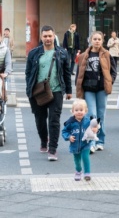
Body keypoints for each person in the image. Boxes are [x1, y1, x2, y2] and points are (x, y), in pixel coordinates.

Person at [25, 25, 72, 161]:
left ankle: (52, 149)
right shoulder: (34, 53)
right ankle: (44, 141)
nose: (47, 38)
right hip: (38, 91)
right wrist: (30, 89)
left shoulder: (62, 53)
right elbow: (28, 73)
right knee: (40, 119)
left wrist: (68, 90)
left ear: (54, 37)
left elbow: (67, 74)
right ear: (41, 37)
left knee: (54, 120)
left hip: (56, 90)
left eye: (50, 36)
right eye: (45, 36)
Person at [75, 31, 117, 153]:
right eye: (95, 39)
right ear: (91, 40)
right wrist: (78, 88)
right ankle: (91, 142)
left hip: (101, 89)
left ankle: (100, 141)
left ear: (102, 41)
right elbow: (79, 74)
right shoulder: (84, 55)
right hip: (88, 89)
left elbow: (113, 71)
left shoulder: (106, 54)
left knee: (101, 116)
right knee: (91, 115)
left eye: (99, 39)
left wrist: (109, 81)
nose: (97, 41)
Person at [62, 99, 96, 181]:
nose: (79, 112)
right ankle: (78, 171)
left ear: (85, 111)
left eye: (81, 110)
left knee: (85, 157)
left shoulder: (88, 121)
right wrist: (68, 137)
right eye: (76, 110)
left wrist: (95, 130)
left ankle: (87, 173)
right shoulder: (70, 122)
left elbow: (95, 128)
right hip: (75, 145)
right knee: (77, 160)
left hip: (86, 144)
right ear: (72, 111)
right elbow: (64, 131)